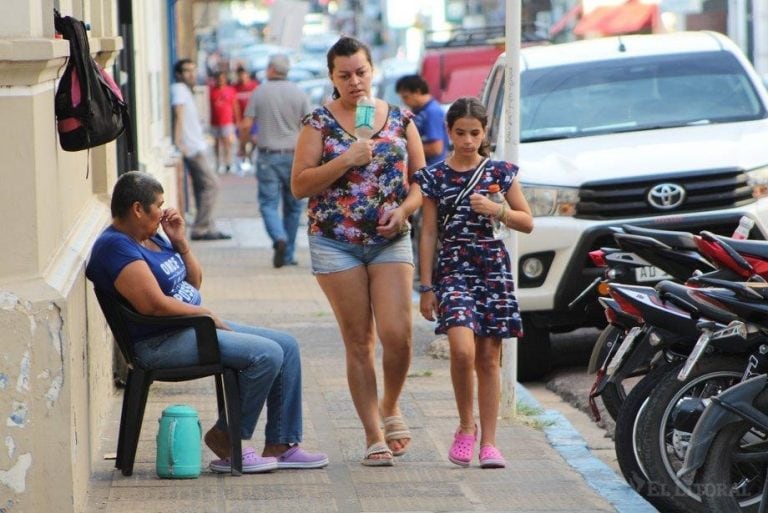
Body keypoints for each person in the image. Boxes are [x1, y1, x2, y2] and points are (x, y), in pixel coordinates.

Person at [85, 171, 328, 473]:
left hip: (190, 329)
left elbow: (193, 283)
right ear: (137, 208)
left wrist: (180, 243)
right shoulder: (117, 247)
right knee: (267, 355)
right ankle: (226, 439)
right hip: (160, 342)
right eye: (158, 205)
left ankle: (282, 444)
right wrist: (205, 315)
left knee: (287, 346)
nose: (163, 211)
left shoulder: (152, 236)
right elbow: (153, 305)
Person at [291, 36, 426, 466]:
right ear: (331, 78)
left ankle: (391, 405)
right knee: (359, 340)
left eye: (361, 72)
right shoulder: (318, 122)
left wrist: (405, 210)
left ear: (373, 70)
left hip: (390, 239)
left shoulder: (400, 117)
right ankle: (373, 433)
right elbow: (300, 185)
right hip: (336, 242)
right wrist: (347, 158)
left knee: (397, 336)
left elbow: (423, 181)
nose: (354, 81)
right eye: (344, 75)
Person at [414, 97, 533, 469]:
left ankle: (490, 443)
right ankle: (466, 427)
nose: (467, 140)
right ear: (448, 131)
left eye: (475, 133)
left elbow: (527, 221)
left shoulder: (499, 172)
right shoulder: (434, 176)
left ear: (484, 134)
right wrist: (426, 285)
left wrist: (497, 208)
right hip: (453, 266)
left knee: (488, 357)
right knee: (462, 349)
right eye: (460, 132)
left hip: (491, 266)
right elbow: (429, 232)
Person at [241, 54, 311, 268]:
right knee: (293, 206)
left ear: (271, 69)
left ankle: (278, 237)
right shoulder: (299, 93)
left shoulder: (259, 92)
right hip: (294, 156)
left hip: (268, 155)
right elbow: (309, 126)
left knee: (268, 203)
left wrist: (243, 148)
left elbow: (246, 125)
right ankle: (288, 253)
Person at [171, 59, 231, 241]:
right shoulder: (179, 90)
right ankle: (202, 227)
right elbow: (178, 116)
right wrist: (178, 143)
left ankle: (207, 226)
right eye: (187, 71)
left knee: (202, 187)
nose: (191, 74)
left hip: (196, 146)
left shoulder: (186, 91)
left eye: (193, 70)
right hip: (192, 148)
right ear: (179, 74)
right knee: (212, 185)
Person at [395, 74, 449, 167]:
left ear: (417, 92)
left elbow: (436, 148)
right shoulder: (419, 111)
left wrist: (404, 150)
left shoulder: (432, 112)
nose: (404, 101)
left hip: (432, 169)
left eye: (405, 97)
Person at [209, 70, 239, 173]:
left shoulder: (231, 90)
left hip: (227, 121)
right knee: (216, 143)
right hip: (215, 122)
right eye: (218, 79)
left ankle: (228, 162)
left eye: (222, 79)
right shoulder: (212, 91)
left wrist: (237, 120)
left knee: (227, 143)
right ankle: (218, 162)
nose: (220, 81)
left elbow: (235, 106)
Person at [233, 66, 259, 173]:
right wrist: (237, 120)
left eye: (244, 75)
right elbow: (234, 105)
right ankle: (243, 160)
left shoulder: (254, 86)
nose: (242, 77)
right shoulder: (235, 88)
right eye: (240, 75)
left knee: (254, 140)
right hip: (242, 120)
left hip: (254, 119)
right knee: (243, 141)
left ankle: (249, 156)